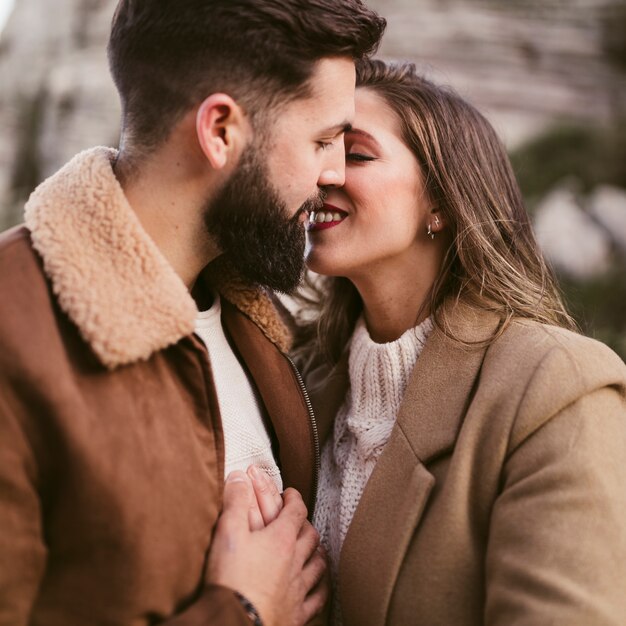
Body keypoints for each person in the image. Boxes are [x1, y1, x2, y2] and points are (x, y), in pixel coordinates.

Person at [0, 1, 385, 625]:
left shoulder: (248, 317)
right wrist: (242, 612)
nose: (334, 173)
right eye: (321, 140)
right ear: (221, 132)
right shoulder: (14, 331)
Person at [296, 58, 626, 625]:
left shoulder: (556, 386)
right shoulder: (297, 380)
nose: (321, 174)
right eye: (319, 149)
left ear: (441, 205)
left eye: (355, 153)